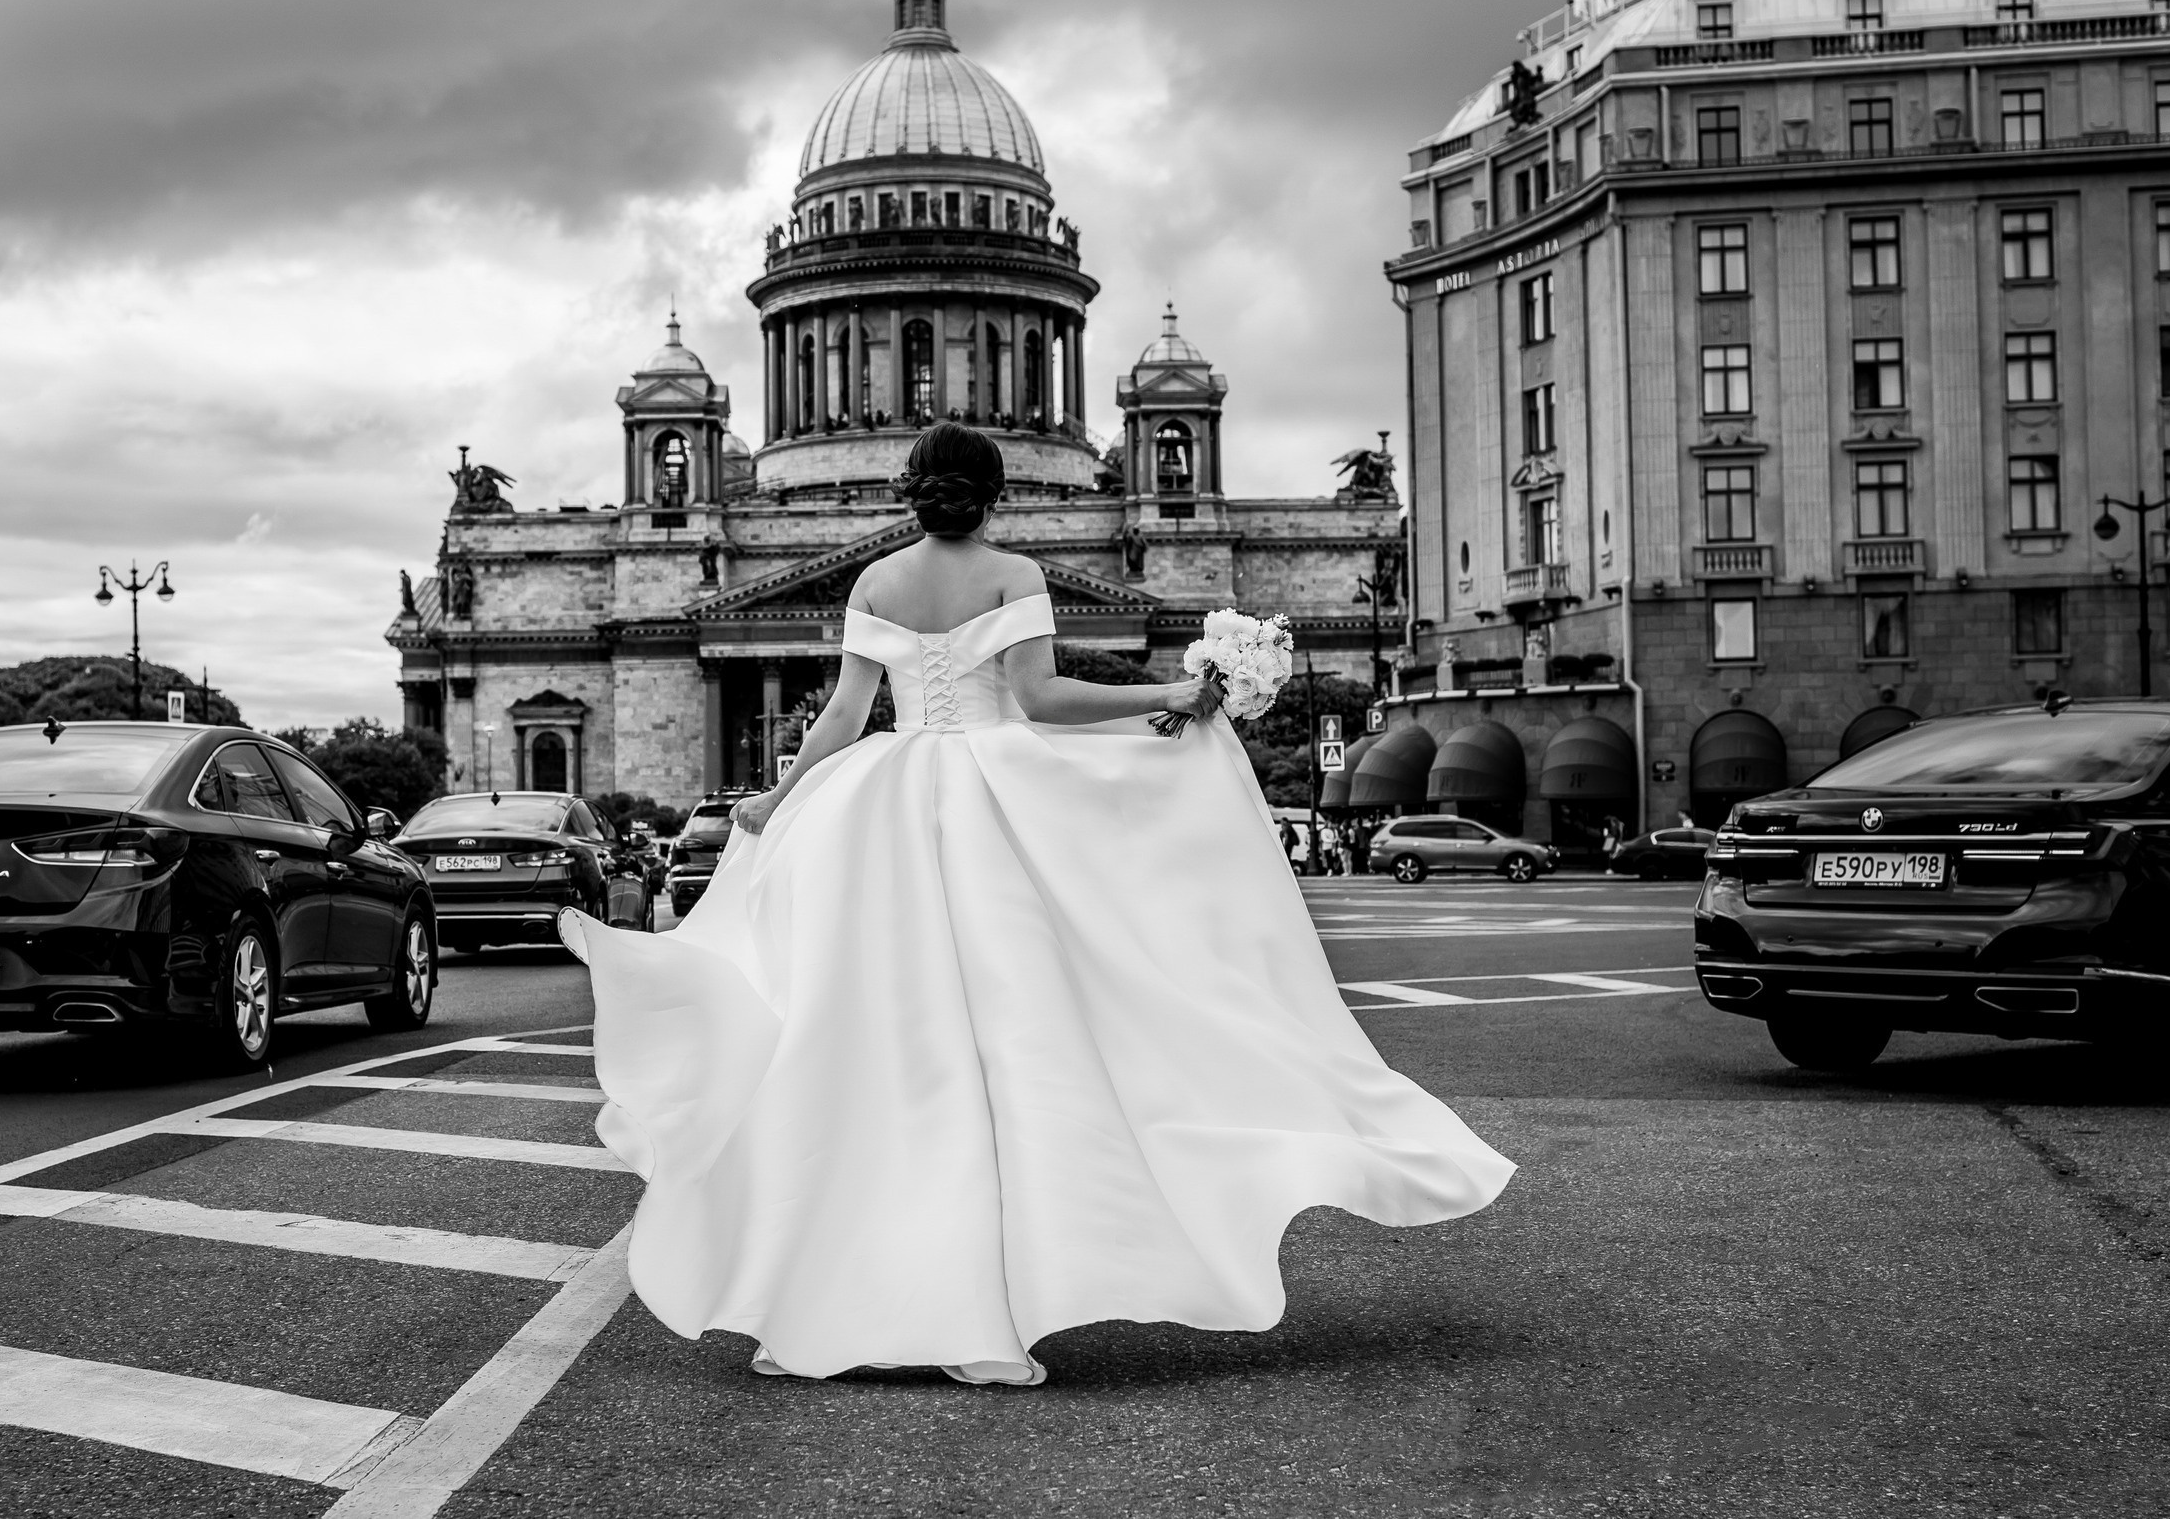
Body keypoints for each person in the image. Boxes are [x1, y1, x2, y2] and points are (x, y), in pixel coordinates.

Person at [560, 423, 1513, 1388]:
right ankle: (981, 1322)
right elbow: (1043, 701)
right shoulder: (1016, 575)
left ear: (911, 491)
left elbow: (846, 719)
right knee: (1004, 1056)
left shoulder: (874, 583)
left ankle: (806, 1308)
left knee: (858, 1056)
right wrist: (1166, 697)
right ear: (995, 493)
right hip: (990, 811)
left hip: (876, 819)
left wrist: (776, 797)